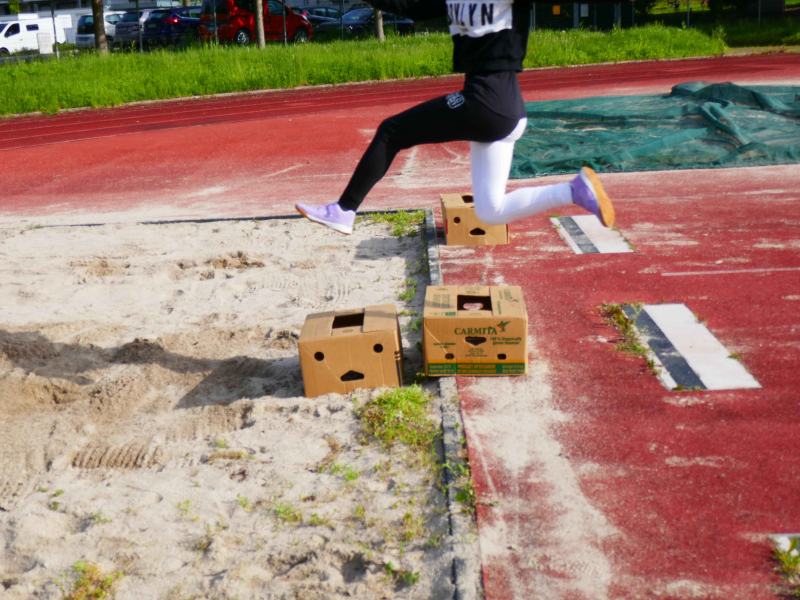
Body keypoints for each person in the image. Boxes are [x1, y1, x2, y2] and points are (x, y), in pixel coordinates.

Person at [296, 0, 615, 236]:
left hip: (485, 103)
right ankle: (575, 191)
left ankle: (344, 209)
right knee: (490, 211)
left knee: (392, 130)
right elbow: (411, 7)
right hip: (505, 113)